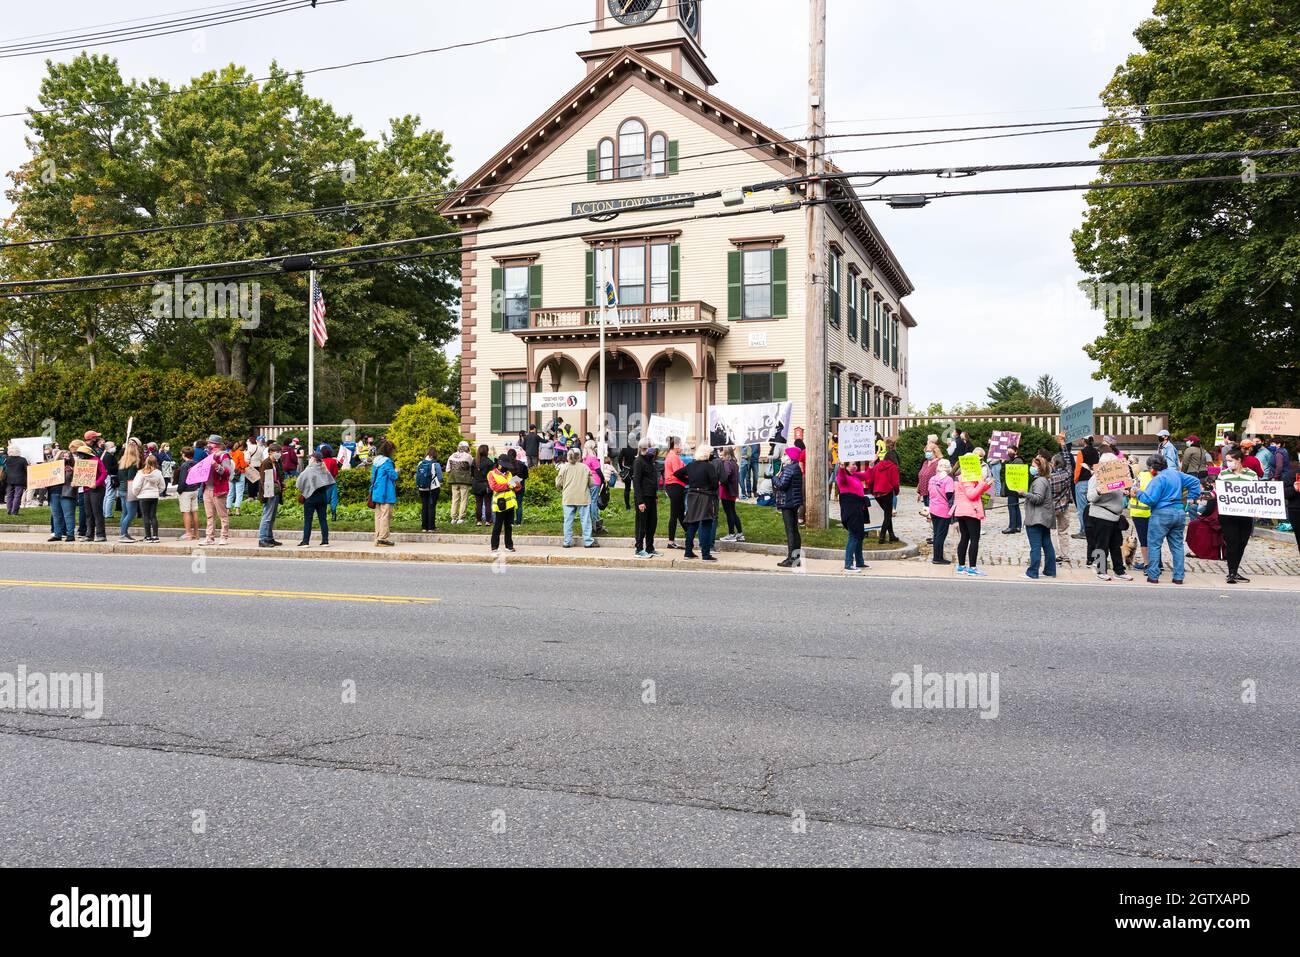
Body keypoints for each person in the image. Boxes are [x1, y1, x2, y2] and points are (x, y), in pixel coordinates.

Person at [1135, 454, 1203, 585]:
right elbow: (1195, 481)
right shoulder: (1176, 474)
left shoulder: (1158, 479)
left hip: (1161, 513)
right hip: (1179, 512)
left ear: (1152, 469)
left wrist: (1138, 493)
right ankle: (1178, 577)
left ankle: (1153, 576)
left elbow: (1150, 500)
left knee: (1154, 545)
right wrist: (1192, 498)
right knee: (1177, 546)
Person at [1086, 452, 1132, 581]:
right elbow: (1090, 497)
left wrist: (1124, 492)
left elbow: (1117, 491)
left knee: (1116, 545)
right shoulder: (1095, 478)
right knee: (1102, 544)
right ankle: (1101, 570)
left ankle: (1119, 570)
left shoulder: (1116, 477)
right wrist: (1099, 491)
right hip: (1101, 515)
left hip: (1115, 517)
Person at [1216, 446, 1258, 583]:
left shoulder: (1251, 474)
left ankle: (1235, 569)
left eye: (1230, 460)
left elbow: (1256, 493)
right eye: (1226, 460)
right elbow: (1219, 492)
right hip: (1228, 515)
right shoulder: (1223, 474)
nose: (1227, 463)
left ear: (1239, 460)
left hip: (1245, 514)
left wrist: (1258, 510)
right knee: (1232, 542)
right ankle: (1231, 572)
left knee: (1242, 543)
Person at [674, 444, 720, 561]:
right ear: (707, 454)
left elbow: (677, 473)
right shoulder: (709, 467)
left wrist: (689, 481)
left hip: (692, 495)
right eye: (710, 453)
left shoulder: (691, 465)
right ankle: (705, 554)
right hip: (705, 496)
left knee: (692, 524)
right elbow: (715, 484)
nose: (711, 455)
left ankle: (688, 552)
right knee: (706, 524)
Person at [1022, 454, 1057, 579]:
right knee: (1047, 544)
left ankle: (1032, 572)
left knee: (1035, 546)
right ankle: (1049, 570)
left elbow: (1038, 498)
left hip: (1037, 519)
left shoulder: (1039, 481)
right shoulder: (1043, 480)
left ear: (1039, 468)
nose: (1031, 468)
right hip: (1043, 518)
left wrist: (1024, 494)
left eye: (1033, 466)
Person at [953, 468, 993, 577]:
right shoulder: (968, 479)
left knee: (964, 538)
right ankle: (972, 568)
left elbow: (977, 491)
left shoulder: (960, 477)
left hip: (961, 511)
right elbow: (971, 494)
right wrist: (982, 483)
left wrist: (987, 485)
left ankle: (961, 566)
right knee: (974, 539)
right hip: (971, 511)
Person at [772, 446, 805, 568]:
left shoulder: (788, 469)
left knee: (790, 530)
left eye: (785, 455)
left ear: (790, 458)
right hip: (794, 502)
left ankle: (791, 558)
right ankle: (796, 558)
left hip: (787, 503)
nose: (783, 457)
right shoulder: (796, 468)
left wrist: (774, 477)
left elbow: (782, 485)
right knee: (795, 530)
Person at [197, 436, 232, 546]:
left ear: (217, 444)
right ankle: (209, 537)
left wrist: (216, 465)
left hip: (219, 489)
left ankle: (223, 537)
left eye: (210, 443)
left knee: (222, 515)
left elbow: (228, 472)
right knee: (210, 515)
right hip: (207, 488)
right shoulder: (208, 455)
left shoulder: (224, 455)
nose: (208, 445)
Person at [557, 448, 596, 548]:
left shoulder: (564, 467)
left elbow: (558, 484)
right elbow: (592, 484)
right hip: (583, 497)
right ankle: (588, 541)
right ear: (579, 456)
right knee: (585, 520)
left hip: (568, 497)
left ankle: (567, 541)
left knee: (568, 520)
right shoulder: (585, 467)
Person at [837, 461, 869, 573]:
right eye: (852, 464)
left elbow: (866, 476)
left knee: (859, 535)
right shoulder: (843, 476)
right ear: (846, 466)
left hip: (858, 508)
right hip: (850, 509)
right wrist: (840, 468)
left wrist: (871, 465)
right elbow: (841, 479)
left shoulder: (855, 475)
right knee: (854, 535)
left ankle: (859, 561)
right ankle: (848, 564)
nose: (855, 466)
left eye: (855, 464)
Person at [486, 453, 519, 553]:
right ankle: (494, 546)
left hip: (510, 503)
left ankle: (509, 546)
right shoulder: (492, 474)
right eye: (505, 466)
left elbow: (516, 487)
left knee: (509, 526)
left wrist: (517, 485)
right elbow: (494, 487)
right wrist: (508, 485)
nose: (506, 468)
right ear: (499, 465)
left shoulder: (509, 474)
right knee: (498, 525)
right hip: (500, 504)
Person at [632, 440, 660, 558]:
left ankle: (650, 547)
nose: (653, 450)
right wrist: (640, 501)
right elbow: (637, 483)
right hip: (643, 497)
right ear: (644, 448)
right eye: (651, 448)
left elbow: (652, 480)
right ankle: (639, 548)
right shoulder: (638, 461)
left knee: (652, 523)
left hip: (651, 496)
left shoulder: (650, 461)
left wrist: (655, 496)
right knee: (641, 524)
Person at [369, 439, 399, 547]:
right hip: (386, 492)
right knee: (386, 515)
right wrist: (397, 471)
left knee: (378, 515)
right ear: (389, 451)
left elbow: (373, 478)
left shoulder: (376, 462)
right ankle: (383, 539)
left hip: (376, 492)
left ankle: (377, 537)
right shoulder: (387, 462)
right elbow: (393, 476)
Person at [1127, 461, 1155, 572]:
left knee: (1144, 540)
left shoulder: (1141, 476)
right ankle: (1157, 563)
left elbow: (1133, 492)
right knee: (1154, 540)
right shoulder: (1159, 477)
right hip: (1153, 512)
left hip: (1139, 512)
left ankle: (1147, 564)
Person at [1049, 445, 1074, 566]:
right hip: (1064, 506)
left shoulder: (1050, 478)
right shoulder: (1067, 474)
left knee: (1052, 531)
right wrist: (1063, 445)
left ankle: (1055, 554)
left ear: (1054, 464)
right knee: (1063, 531)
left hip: (1052, 507)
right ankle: (1065, 555)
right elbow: (1068, 460)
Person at [131, 454, 166, 542]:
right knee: (153, 516)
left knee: (145, 516)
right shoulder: (158, 473)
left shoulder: (141, 473)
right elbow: (162, 486)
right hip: (153, 496)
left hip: (143, 496)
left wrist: (136, 494)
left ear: (146, 462)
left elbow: (136, 486)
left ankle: (148, 536)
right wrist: (157, 491)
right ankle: (155, 536)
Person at [927, 459, 955, 565]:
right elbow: (949, 495)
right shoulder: (948, 480)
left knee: (936, 533)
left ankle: (936, 556)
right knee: (941, 535)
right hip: (943, 510)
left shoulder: (932, 478)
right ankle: (937, 558)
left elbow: (930, 492)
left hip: (933, 508)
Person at [47, 445, 77, 543]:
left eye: (67, 456)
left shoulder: (74, 468)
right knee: (56, 515)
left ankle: (70, 535)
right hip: (54, 493)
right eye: (62, 456)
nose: (64, 458)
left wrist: (72, 472)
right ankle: (57, 534)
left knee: (68, 515)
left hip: (67, 493)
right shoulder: (52, 468)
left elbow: (79, 481)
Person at [869, 449, 900, 543]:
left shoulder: (877, 466)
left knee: (887, 514)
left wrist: (872, 491)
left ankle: (891, 535)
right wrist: (896, 492)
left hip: (877, 493)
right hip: (887, 493)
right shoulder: (893, 467)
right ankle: (882, 536)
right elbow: (895, 483)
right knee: (887, 515)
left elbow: (871, 480)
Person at [257, 442, 284, 548]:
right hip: (269, 494)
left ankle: (269, 538)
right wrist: (268, 493)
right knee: (267, 516)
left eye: (280, 452)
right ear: (270, 452)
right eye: (276, 452)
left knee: (271, 517)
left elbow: (279, 475)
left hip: (276, 492)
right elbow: (265, 480)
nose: (279, 454)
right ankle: (262, 538)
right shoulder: (266, 463)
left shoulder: (276, 462)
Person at [117, 438, 144, 543]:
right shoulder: (134, 463)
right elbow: (131, 479)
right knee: (131, 513)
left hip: (122, 489)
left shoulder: (122, 461)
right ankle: (123, 534)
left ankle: (124, 533)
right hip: (130, 489)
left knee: (124, 513)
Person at [1072, 436, 1100, 537]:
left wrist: (1075, 480)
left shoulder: (1081, 452)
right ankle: (1093, 530)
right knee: (1092, 507)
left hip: (1082, 481)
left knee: (1082, 509)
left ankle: (1084, 531)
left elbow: (1078, 468)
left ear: (1084, 440)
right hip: (1093, 481)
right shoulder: (1096, 452)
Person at [663, 437, 687, 549]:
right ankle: (671, 541)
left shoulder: (669, 455)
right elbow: (678, 473)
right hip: (675, 486)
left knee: (679, 513)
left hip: (672, 486)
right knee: (675, 514)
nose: (681, 447)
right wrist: (688, 480)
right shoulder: (674, 457)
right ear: (676, 446)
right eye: (680, 445)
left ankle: (689, 533)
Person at [718, 446, 744, 543]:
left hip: (726, 491)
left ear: (727, 454)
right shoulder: (734, 463)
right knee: (733, 512)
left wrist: (720, 480)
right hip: (732, 491)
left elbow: (726, 475)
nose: (721, 457)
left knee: (729, 513)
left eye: (722, 455)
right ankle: (740, 533)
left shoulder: (727, 463)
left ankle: (731, 534)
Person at [415, 447, 444, 532]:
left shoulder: (420, 463)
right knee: (431, 506)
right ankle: (431, 527)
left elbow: (417, 475)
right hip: (433, 488)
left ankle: (424, 527)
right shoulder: (436, 464)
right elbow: (440, 477)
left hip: (421, 488)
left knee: (424, 506)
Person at [175, 447, 201, 541]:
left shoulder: (184, 465)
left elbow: (182, 480)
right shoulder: (196, 463)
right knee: (194, 511)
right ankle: (196, 533)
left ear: (183, 455)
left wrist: (179, 490)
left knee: (186, 512)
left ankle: (188, 534)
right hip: (194, 489)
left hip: (186, 491)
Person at [446, 441, 474, 525]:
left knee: (455, 499)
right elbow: (472, 468)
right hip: (464, 481)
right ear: (467, 448)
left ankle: (453, 518)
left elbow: (447, 470)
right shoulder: (468, 456)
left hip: (454, 480)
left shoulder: (452, 456)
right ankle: (461, 518)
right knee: (463, 500)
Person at [582, 441, 605, 534]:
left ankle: (591, 521)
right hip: (595, 481)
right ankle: (596, 521)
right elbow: (598, 470)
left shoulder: (585, 458)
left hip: (587, 481)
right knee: (594, 502)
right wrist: (603, 480)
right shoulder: (593, 458)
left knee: (590, 502)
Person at [1001, 446, 1024, 534]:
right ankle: (1018, 526)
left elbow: (1011, 473)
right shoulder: (1013, 460)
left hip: (1014, 487)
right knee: (1015, 506)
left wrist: (1005, 464)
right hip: (1012, 487)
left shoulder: (1018, 461)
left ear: (1015, 451)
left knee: (1012, 506)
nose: (1008, 453)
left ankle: (1012, 526)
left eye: (1010, 451)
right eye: (1007, 451)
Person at [472, 444, 493, 526]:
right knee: (488, 503)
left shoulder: (474, 461)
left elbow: (472, 474)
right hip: (486, 485)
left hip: (476, 484)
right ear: (486, 451)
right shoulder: (489, 462)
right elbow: (491, 475)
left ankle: (479, 521)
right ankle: (488, 521)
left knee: (478, 504)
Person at [507, 448, 529, 526]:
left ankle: (511, 522)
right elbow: (526, 476)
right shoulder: (522, 464)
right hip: (520, 486)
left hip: (510, 487)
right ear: (516, 455)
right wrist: (518, 480)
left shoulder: (506, 465)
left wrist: (512, 482)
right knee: (519, 504)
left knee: (511, 505)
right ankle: (518, 522)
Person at [3, 446, 27, 515]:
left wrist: (8, 446)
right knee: (17, 496)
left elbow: (4, 453)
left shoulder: (7, 459)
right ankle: (14, 511)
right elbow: (26, 470)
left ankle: (9, 510)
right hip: (20, 480)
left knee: (9, 495)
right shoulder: (23, 460)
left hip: (9, 480)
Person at [320, 444, 341, 521]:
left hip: (322, 483)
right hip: (332, 482)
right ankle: (333, 515)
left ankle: (323, 516)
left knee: (323, 500)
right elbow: (335, 473)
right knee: (333, 499)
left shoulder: (320, 462)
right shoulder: (333, 461)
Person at [100, 440, 119, 521]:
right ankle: (108, 513)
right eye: (112, 446)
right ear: (107, 448)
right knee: (110, 496)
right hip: (111, 477)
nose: (114, 447)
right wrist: (118, 465)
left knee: (107, 495)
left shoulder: (108, 455)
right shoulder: (108, 456)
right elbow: (109, 468)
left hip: (109, 477)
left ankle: (105, 512)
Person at [617, 439, 637, 511]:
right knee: (636, 488)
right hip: (635, 469)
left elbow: (619, 458)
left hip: (627, 469)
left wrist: (622, 468)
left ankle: (627, 506)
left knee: (627, 488)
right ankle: (637, 504)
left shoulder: (625, 448)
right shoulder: (637, 448)